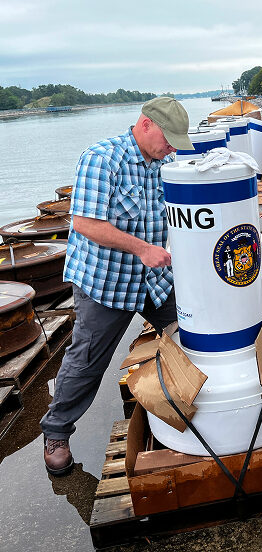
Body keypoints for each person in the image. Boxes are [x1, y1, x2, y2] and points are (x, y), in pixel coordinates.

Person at [40, 97, 194, 476]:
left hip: (154, 281)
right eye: (168, 138)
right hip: (105, 282)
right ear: (145, 124)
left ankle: (194, 401)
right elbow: (85, 224)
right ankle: (56, 432)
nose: (172, 147)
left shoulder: (165, 165)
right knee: (87, 360)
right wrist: (142, 249)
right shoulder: (101, 158)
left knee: (191, 331)